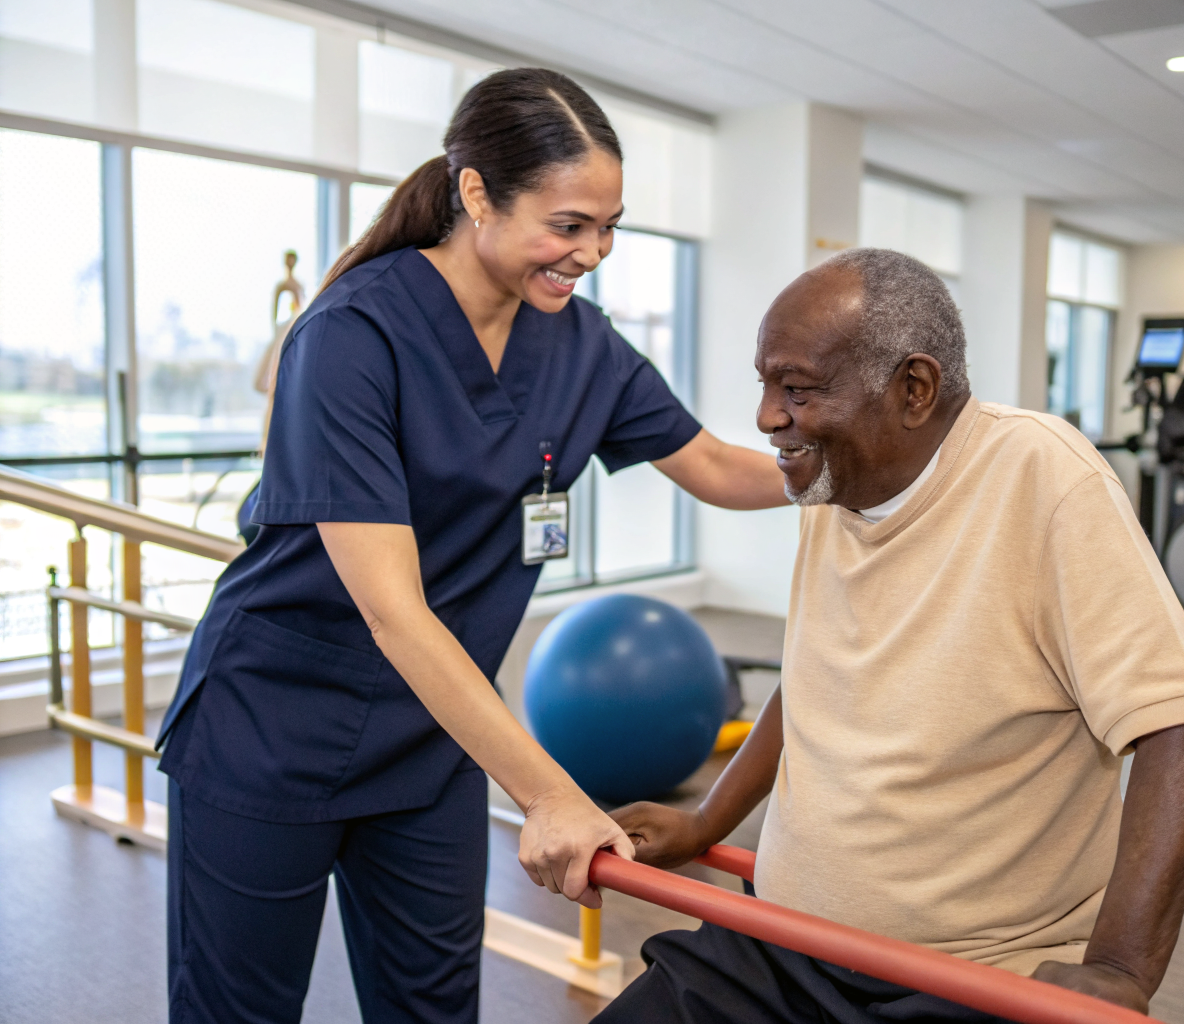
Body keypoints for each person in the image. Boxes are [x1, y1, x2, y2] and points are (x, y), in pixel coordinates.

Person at [154, 68, 788, 1024]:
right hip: (269, 729)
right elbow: (392, 610)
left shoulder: (583, 348)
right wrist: (551, 793)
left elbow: (714, 465)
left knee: (434, 1008)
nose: (593, 252)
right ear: (477, 193)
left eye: (608, 227)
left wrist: (868, 466)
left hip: (429, 739)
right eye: (568, 224)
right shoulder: (352, 334)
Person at [600, 249, 1184, 1023]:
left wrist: (1117, 968)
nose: (767, 415)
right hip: (779, 944)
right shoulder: (833, 485)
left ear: (913, 388)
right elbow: (811, 683)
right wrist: (707, 821)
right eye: (765, 385)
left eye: (795, 388)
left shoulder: (1043, 477)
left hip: (962, 977)